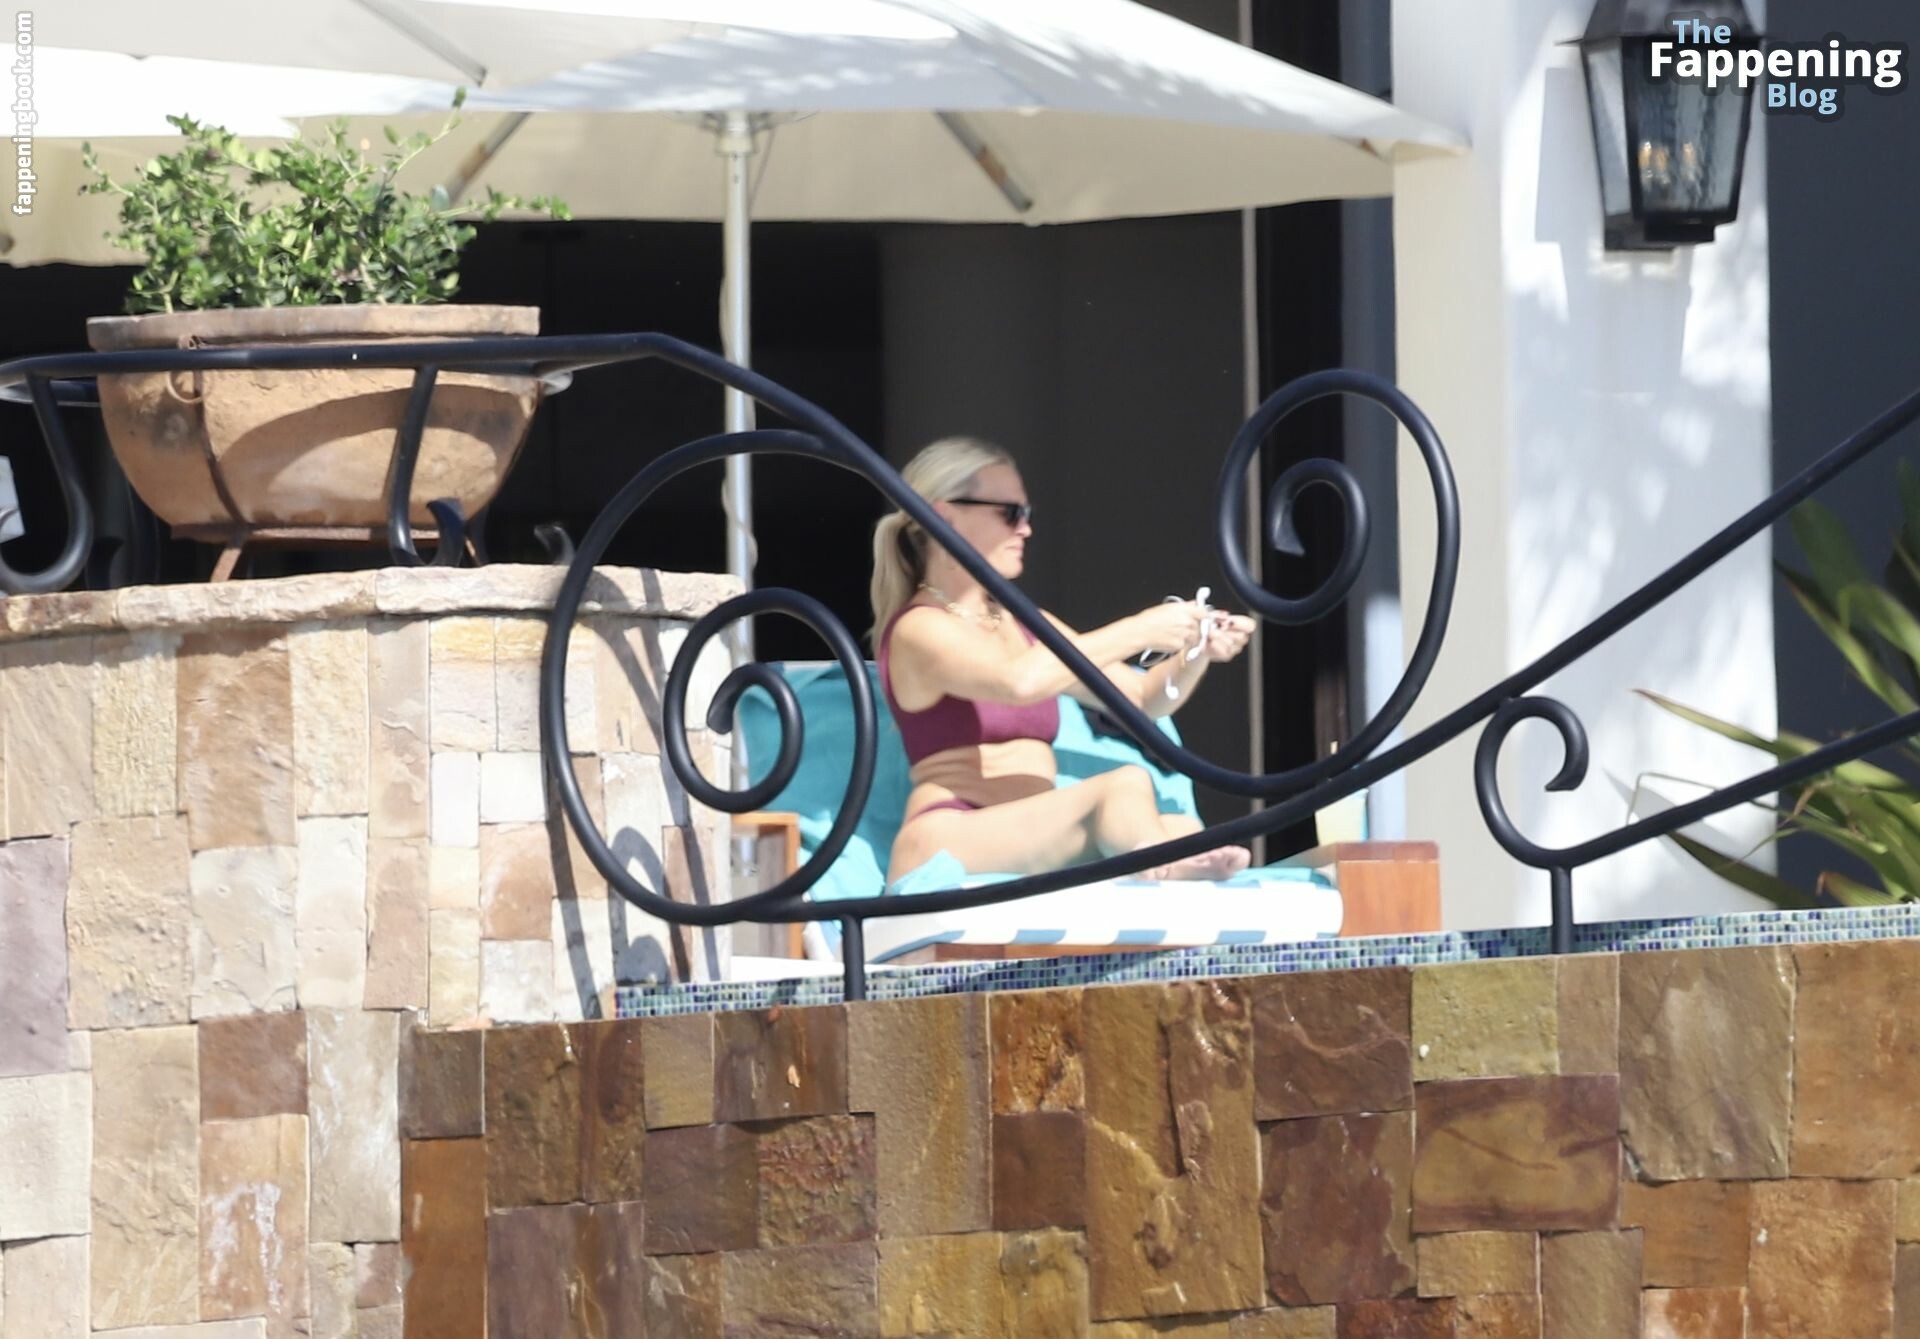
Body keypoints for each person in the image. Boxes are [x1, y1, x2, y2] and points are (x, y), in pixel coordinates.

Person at [871, 436, 1257, 884]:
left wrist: (1195, 651)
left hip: (1032, 832)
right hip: (950, 831)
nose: (1025, 530)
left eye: (1027, 515)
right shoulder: (919, 627)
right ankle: (1160, 873)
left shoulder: (1022, 622)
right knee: (1122, 786)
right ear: (945, 517)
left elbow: (1138, 698)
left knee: (1183, 829)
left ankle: (1158, 868)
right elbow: (1018, 683)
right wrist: (1140, 630)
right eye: (1010, 513)